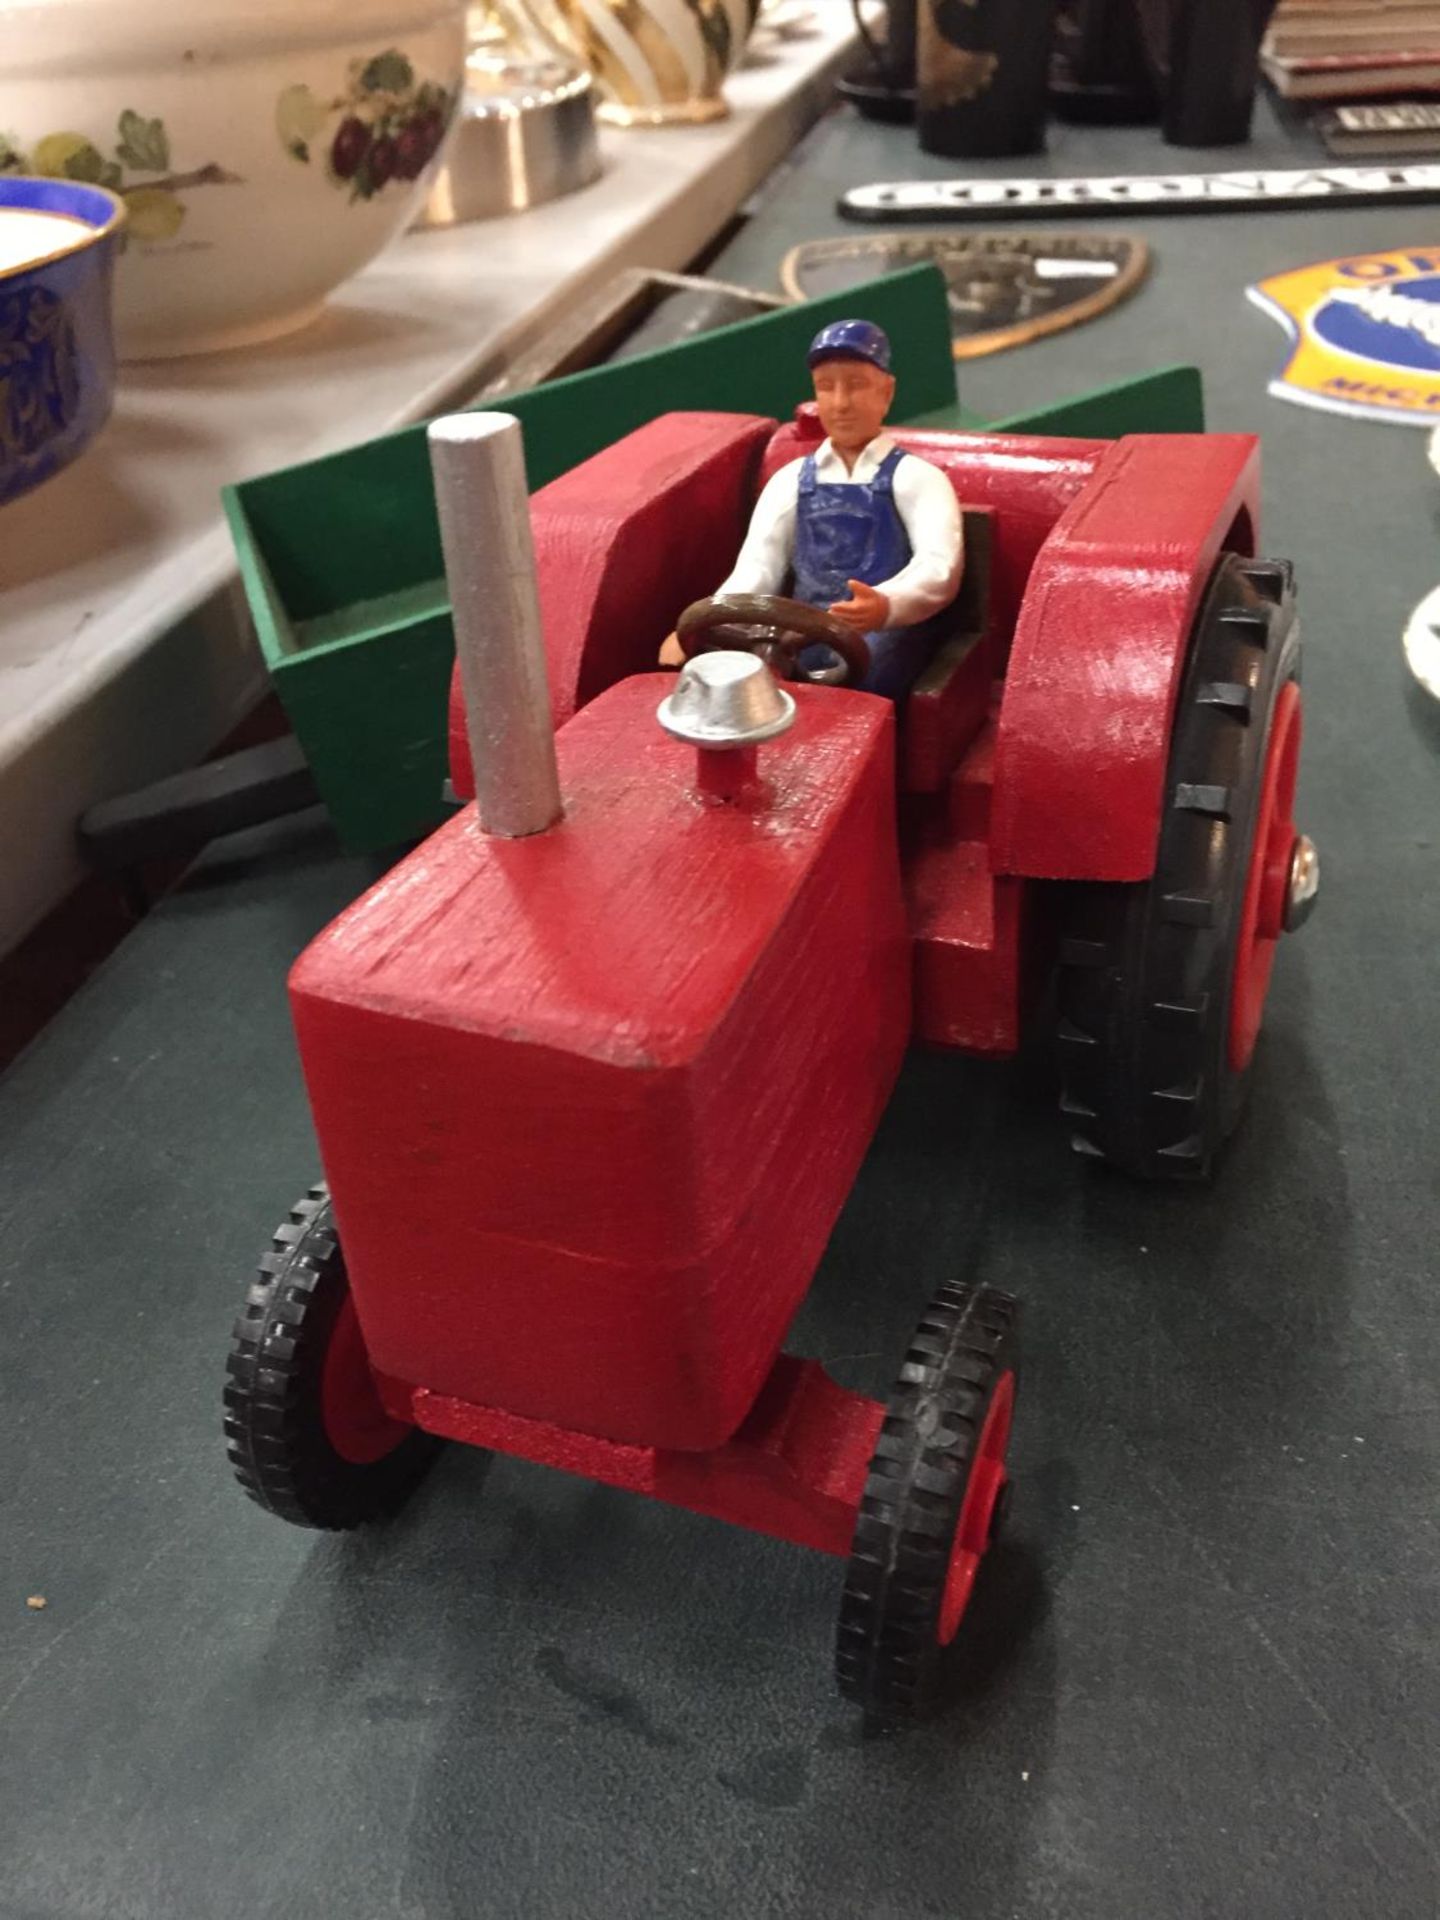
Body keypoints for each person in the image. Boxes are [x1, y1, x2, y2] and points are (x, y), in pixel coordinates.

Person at [661, 319, 964, 697]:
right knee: (744, 681)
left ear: (886, 393)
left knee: (867, 682)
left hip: (882, 633)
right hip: (800, 631)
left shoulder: (918, 478)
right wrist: (707, 622)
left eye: (855, 385)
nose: (840, 403)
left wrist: (886, 605)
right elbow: (758, 568)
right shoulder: (789, 481)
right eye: (826, 387)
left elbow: (938, 566)